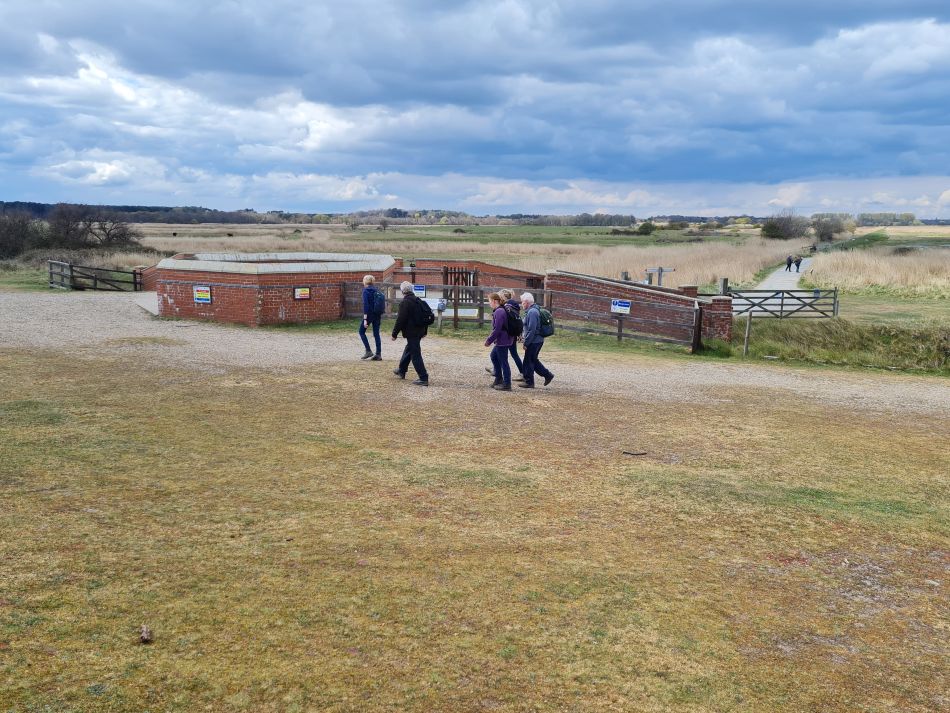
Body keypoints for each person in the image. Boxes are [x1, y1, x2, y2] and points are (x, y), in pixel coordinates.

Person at [391, 281, 429, 386]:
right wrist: (425, 331)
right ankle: (401, 370)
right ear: (411, 290)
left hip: (412, 332)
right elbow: (424, 317)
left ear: (403, 291)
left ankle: (423, 377)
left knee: (415, 354)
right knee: (409, 349)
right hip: (419, 331)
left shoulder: (405, 302)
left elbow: (400, 320)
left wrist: (394, 334)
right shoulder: (418, 300)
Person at [484, 288, 525, 380]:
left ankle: (507, 380)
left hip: (505, 337)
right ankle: (498, 373)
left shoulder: (504, 308)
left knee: (505, 358)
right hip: (510, 335)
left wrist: (489, 340)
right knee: (497, 356)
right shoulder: (510, 307)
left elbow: (498, 328)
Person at [518, 292, 554, 388]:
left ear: (526, 302)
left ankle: (529, 382)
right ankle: (548, 375)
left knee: (528, 361)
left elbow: (532, 330)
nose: (521, 304)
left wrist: (526, 343)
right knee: (533, 360)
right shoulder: (533, 310)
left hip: (534, 341)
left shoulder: (532, 312)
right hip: (537, 340)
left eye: (522, 302)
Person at [484, 292, 513, 391]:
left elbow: (497, 329)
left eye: (490, 301)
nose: (489, 303)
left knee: (503, 361)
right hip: (502, 340)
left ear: (495, 301)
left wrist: (489, 340)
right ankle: (499, 378)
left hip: (503, 340)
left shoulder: (499, 312)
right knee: (494, 356)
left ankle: (507, 384)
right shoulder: (498, 310)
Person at [359, 275, 382, 360]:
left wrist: (365, 319)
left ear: (365, 281)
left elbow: (366, 305)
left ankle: (368, 351)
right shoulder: (376, 290)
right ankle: (378, 354)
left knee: (361, 332)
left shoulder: (366, 291)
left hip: (369, 315)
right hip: (377, 314)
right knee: (376, 334)